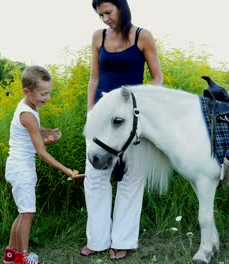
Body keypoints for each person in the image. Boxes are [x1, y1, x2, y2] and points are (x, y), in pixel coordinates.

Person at [81, 0, 163, 260]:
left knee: (132, 178)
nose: (105, 19)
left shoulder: (143, 36)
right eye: (100, 15)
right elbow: (94, 78)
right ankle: (97, 240)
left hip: (130, 118)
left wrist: (143, 106)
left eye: (108, 12)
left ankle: (123, 240)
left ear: (121, 7)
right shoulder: (98, 37)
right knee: (95, 177)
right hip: (101, 117)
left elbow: (156, 77)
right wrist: (91, 112)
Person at [3, 65, 85, 264]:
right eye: (42, 93)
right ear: (27, 91)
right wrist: (67, 171)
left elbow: (33, 131)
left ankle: (10, 253)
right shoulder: (28, 114)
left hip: (18, 165)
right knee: (28, 213)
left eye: (48, 92)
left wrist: (47, 133)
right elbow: (41, 153)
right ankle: (23, 257)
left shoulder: (28, 107)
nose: (46, 97)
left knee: (23, 212)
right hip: (21, 168)